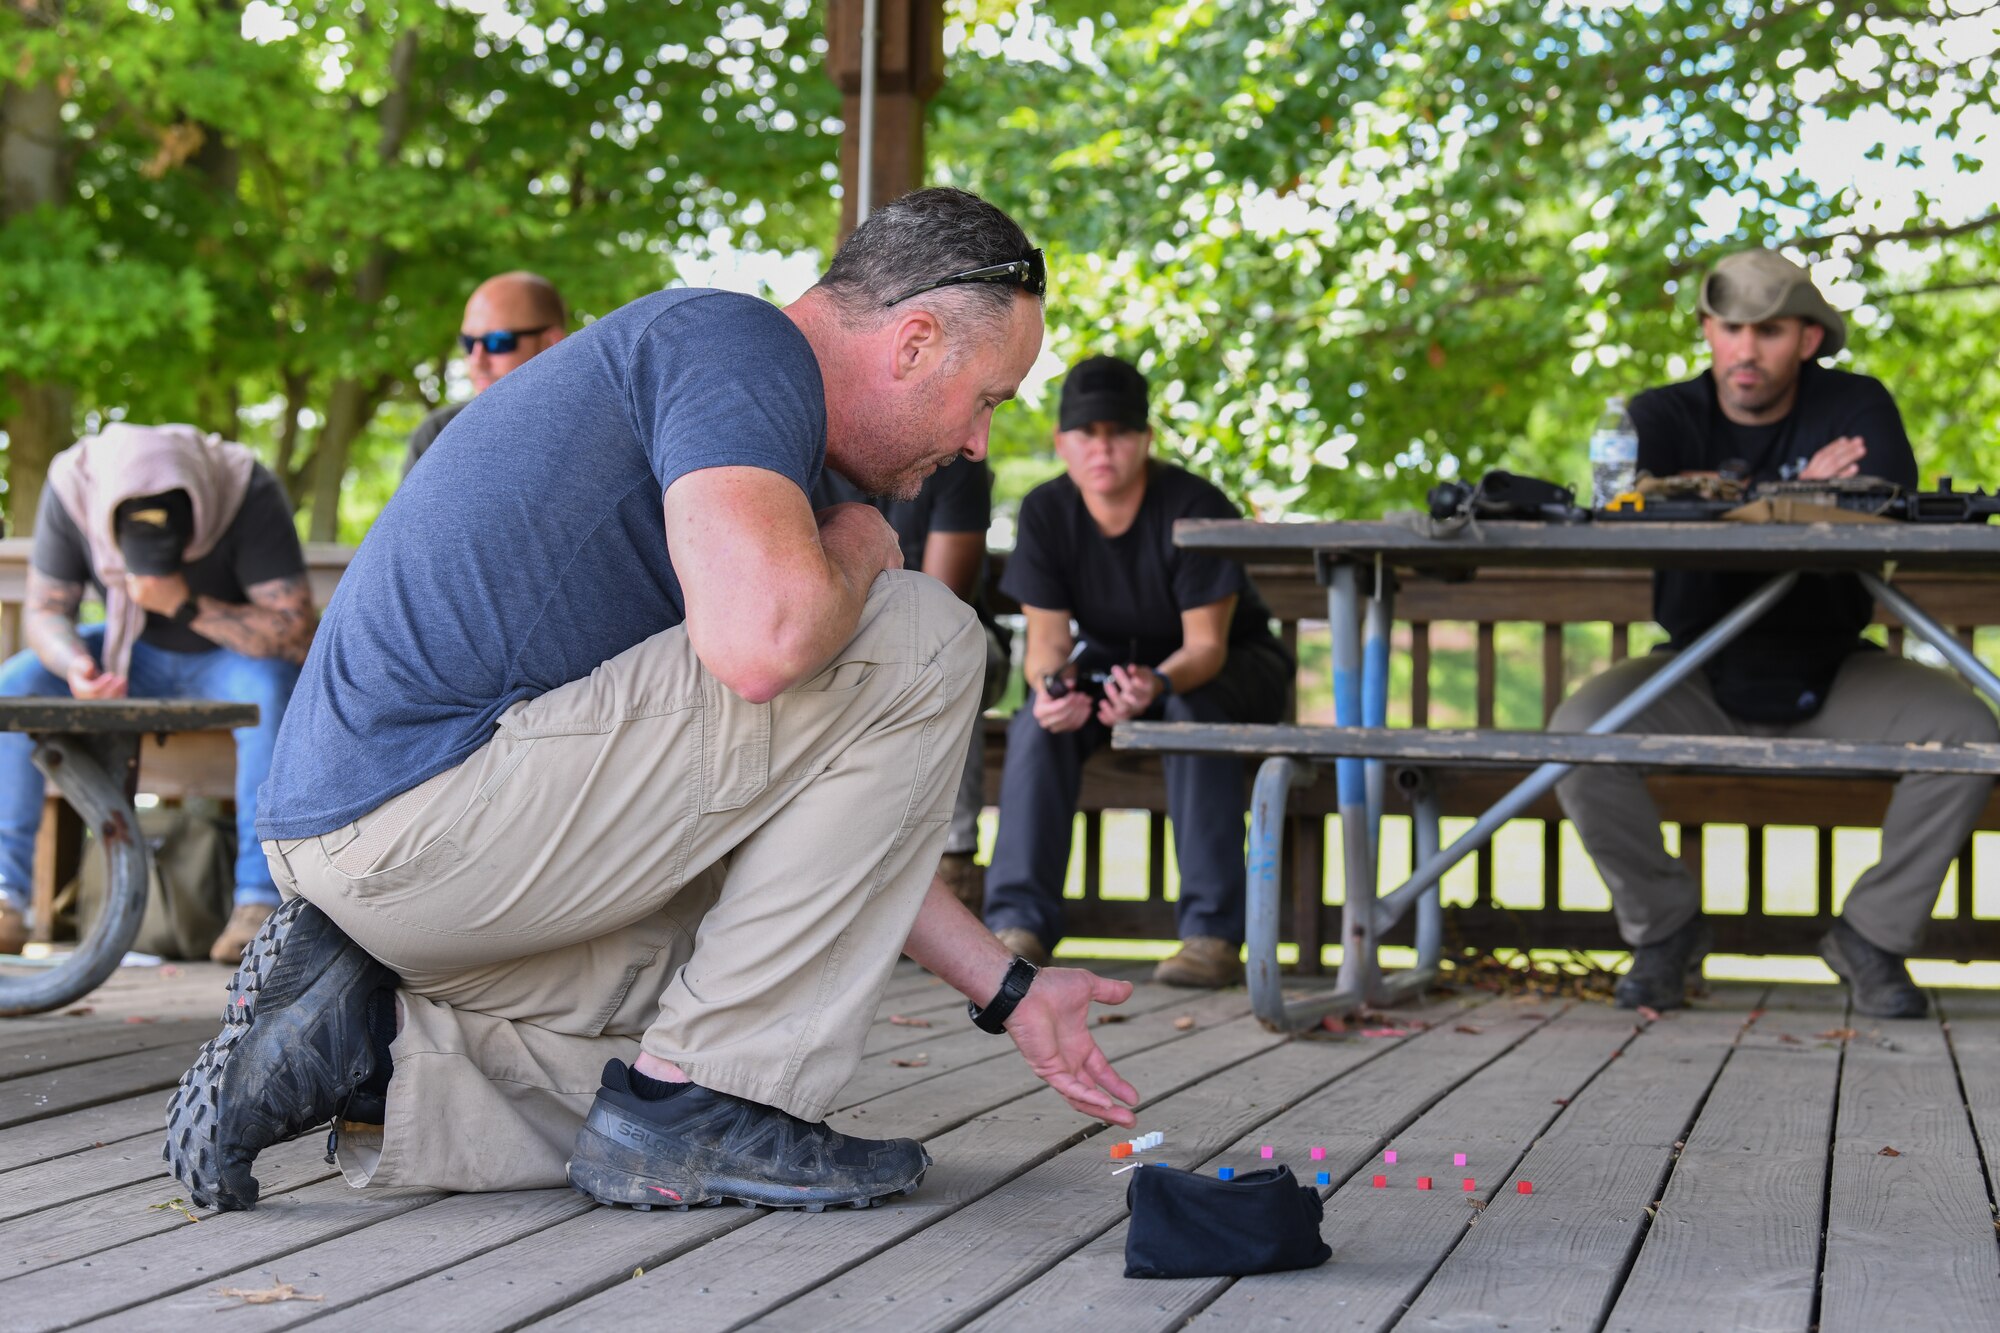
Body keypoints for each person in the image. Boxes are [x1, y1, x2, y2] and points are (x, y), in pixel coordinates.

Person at [166, 188, 1141, 1218]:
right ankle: (711, 1101)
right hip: (424, 816)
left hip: (394, 861)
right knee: (923, 633)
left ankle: (367, 1050)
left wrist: (1008, 988)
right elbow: (761, 649)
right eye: (987, 399)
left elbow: (844, 837)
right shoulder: (739, 348)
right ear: (911, 342)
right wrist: (858, 550)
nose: (979, 444)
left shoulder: (751, 456)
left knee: (659, 1061)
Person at [1550, 247, 1999, 1019]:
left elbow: (1888, 493)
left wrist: (1726, 497)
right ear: (1706, 331)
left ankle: (1872, 936)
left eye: (1769, 330)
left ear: (1809, 339)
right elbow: (1629, 504)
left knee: (1969, 732)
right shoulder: (1659, 414)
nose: (1746, 350)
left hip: (1833, 666)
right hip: (1694, 668)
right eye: (1730, 328)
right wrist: (1799, 492)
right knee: (1577, 735)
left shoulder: (1857, 404)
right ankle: (1666, 929)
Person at [981, 355, 1293, 988]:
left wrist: (1159, 684)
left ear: (1145, 440)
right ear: (1061, 442)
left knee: (1189, 716)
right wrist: (1050, 690)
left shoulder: (1195, 504)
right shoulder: (1046, 512)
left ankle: (1211, 936)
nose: (1103, 448)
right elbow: (1046, 644)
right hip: (1114, 664)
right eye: (1086, 433)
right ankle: (1018, 923)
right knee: (1037, 725)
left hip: (1229, 663)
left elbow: (1205, 646)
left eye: (1118, 432)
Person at [0, 423, 314, 961]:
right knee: (18, 682)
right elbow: (48, 612)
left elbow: (295, 635)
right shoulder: (75, 484)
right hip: (124, 651)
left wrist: (180, 602)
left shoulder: (244, 489)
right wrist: (75, 663)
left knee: (271, 690)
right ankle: (7, 897)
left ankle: (260, 903)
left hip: (230, 658)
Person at [810, 457, 1010, 911]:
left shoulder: (955, 462)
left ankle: (952, 861)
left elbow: (941, 606)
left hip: (940, 637)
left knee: (948, 664)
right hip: (830, 642)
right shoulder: (799, 451)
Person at [402, 272, 568, 476]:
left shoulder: (598, 434)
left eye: (497, 342)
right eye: (468, 343)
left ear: (552, 344)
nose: (477, 361)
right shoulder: (437, 435)